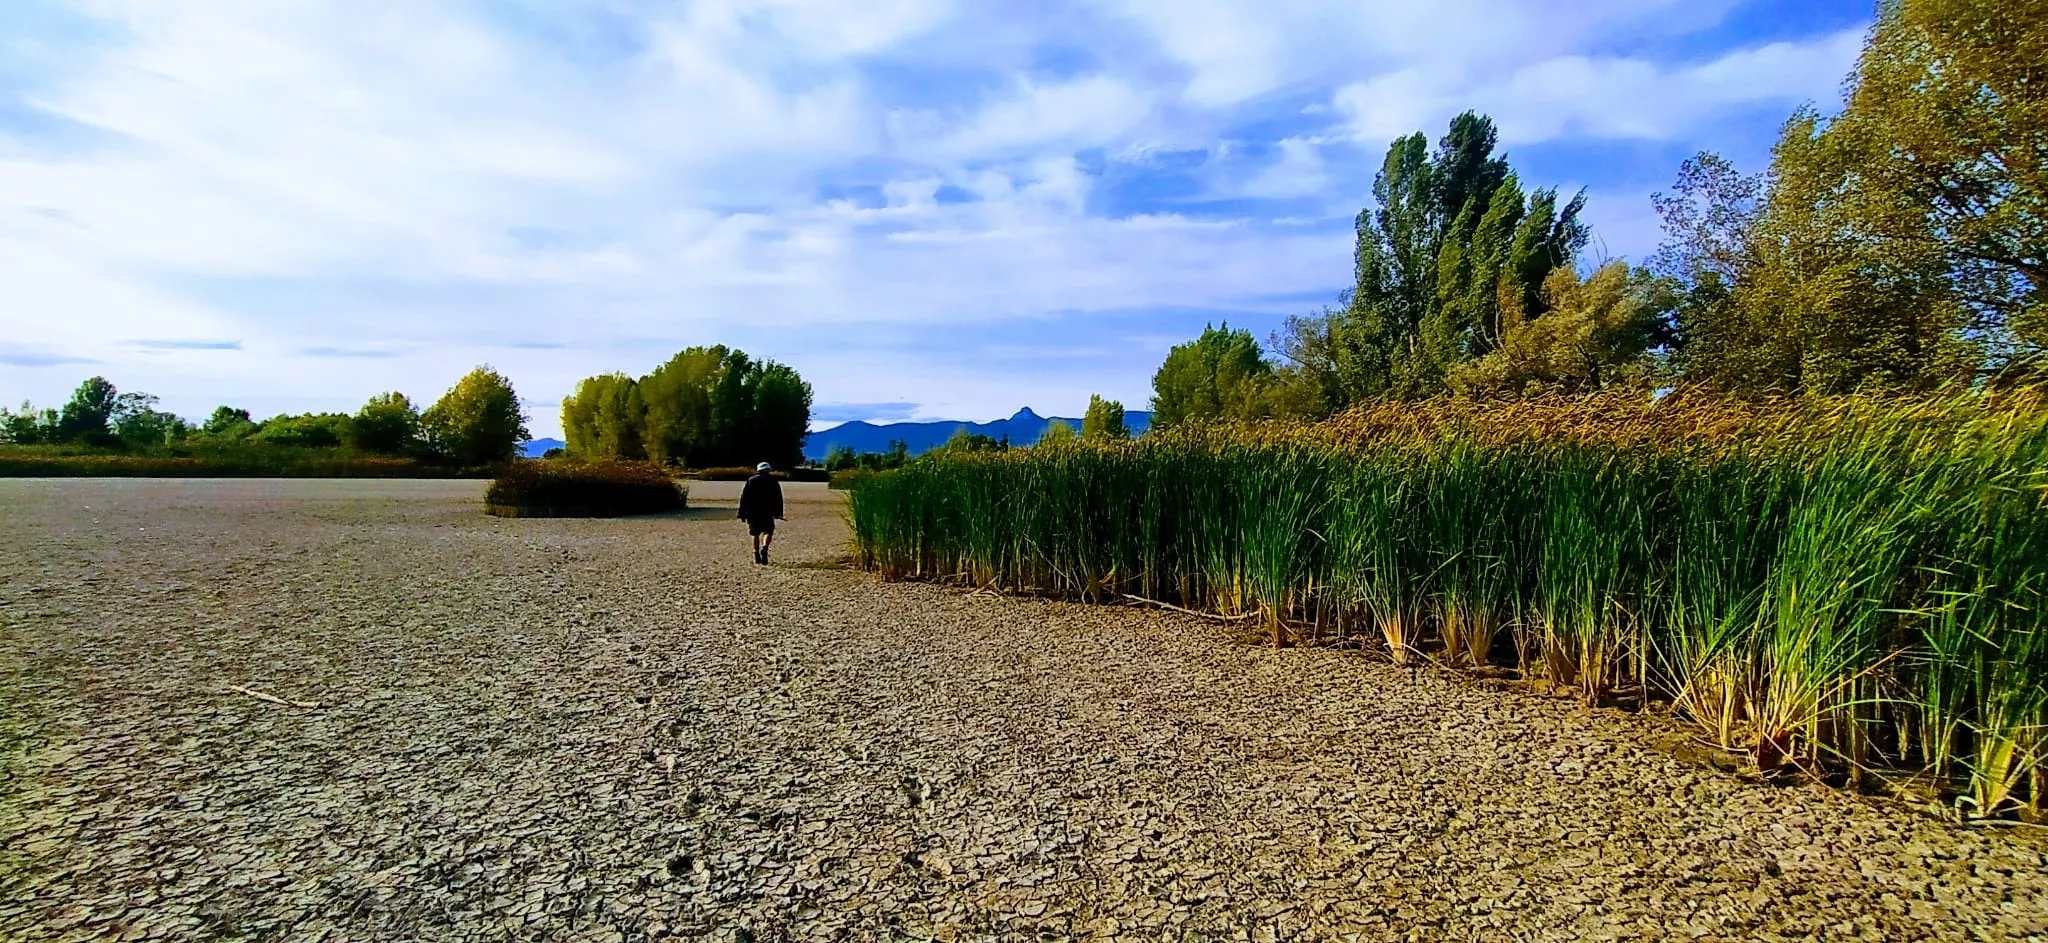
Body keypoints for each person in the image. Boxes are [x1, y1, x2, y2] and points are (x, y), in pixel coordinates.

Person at [737, 461, 785, 565]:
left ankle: (756, 554)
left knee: (755, 533)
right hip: (767, 511)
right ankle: (765, 548)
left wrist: (741, 513)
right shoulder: (773, 481)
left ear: (758, 470)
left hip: (752, 511)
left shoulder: (751, 480)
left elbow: (744, 497)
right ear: (768, 470)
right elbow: (778, 498)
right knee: (768, 531)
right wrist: (779, 512)